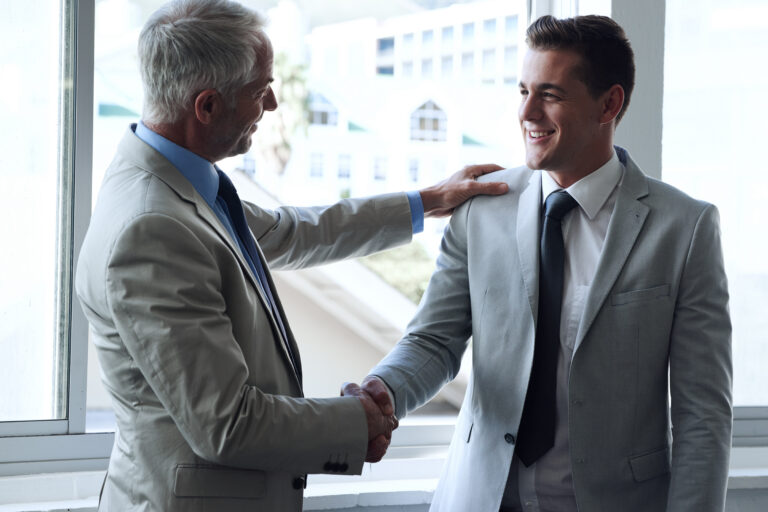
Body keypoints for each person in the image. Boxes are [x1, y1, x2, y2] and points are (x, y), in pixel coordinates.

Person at [74, 1, 507, 510]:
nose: (274, 104)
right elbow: (228, 424)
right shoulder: (153, 228)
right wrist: (359, 422)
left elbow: (291, 232)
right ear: (206, 106)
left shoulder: (176, 182)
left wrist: (428, 202)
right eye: (259, 91)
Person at [352, 14, 732, 512]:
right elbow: (434, 341)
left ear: (609, 104)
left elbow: (703, 414)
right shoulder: (481, 208)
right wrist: (383, 389)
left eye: (550, 95)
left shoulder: (685, 228)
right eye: (523, 91)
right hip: (481, 499)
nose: (527, 112)